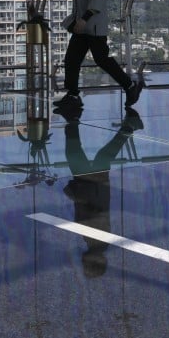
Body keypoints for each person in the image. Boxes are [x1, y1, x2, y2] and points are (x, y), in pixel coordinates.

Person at [56, 0, 142, 109]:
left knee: (101, 59)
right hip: (84, 26)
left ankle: (130, 85)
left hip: (92, 26)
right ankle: (72, 95)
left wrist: (84, 19)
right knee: (72, 59)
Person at [62, 107, 144, 277]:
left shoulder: (95, 243)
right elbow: (93, 215)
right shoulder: (98, 241)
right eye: (87, 266)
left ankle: (73, 118)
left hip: (93, 187)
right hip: (91, 187)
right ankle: (72, 118)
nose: (83, 263)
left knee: (95, 155)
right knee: (79, 153)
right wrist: (75, 196)